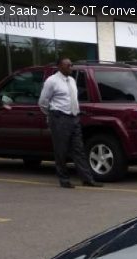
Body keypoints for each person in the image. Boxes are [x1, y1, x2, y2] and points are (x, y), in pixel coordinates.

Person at [38, 58, 102, 188]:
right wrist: (52, 115)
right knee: (61, 150)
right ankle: (64, 179)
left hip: (74, 118)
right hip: (60, 118)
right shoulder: (52, 81)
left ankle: (87, 179)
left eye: (71, 65)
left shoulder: (72, 80)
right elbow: (43, 102)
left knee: (79, 149)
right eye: (68, 65)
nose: (70, 67)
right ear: (59, 66)